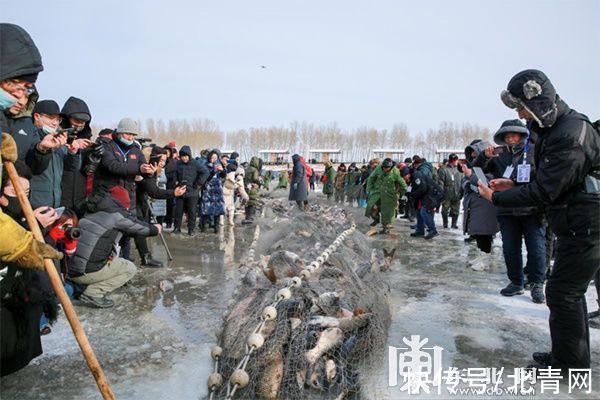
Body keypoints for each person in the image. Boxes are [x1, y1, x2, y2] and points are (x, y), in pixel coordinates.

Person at [478, 69, 600, 371]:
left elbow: (548, 188)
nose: (521, 115)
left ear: (539, 101)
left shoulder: (570, 132)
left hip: (587, 224)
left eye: (522, 107)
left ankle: (569, 364)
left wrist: (497, 198)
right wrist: (513, 185)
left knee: (562, 292)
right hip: (576, 222)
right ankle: (569, 356)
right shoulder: (557, 129)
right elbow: (552, 176)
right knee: (566, 291)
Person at [476, 119, 547, 303]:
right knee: (510, 249)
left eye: (513, 135)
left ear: (522, 134)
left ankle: (537, 284)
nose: (510, 139)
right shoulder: (499, 155)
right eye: (507, 136)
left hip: (532, 209)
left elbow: (543, 177)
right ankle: (516, 281)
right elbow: (478, 169)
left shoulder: (534, 151)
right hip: (506, 209)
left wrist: (515, 181)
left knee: (537, 248)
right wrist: (484, 157)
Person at [70, 187, 160, 308]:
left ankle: (81, 286)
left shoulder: (90, 208)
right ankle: (93, 293)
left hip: (71, 269)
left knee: (109, 256)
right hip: (86, 272)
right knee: (129, 268)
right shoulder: (115, 215)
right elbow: (138, 227)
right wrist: (155, 229)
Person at [29, 100, 91, 209]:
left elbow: (70, 168)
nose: (55, 123)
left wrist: (73, 153)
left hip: (55, 201)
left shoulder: (60, 139)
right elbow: (32, 167)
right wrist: (42, 148)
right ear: (37, 116)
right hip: (33, 202)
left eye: (58, 119)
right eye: (50, 118)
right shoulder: (30, 137)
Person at [135, 146, 185, 266]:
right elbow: (154, 191)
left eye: (164, 161)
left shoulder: (154, 170)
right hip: (134, 202)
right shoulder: (146, 169)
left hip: (142, 201)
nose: (163, 164)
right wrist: (173, 193)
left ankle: (145, 256)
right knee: (138, 230)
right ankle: (143, 257)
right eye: (161, 160)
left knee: (140, 229)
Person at [458, 159, 499, 271]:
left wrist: (471, 176)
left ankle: (484, 261)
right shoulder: (474, 174)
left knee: (484, 235)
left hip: (484, 210)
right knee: (479, 235)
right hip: (476, 208)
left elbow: (484, 185)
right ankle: (481, 257)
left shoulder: (486, 173)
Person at [59, 96, 93, 216]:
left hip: (80, 197)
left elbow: (87, 169)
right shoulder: (56, 139)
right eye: (77, 121)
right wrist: (69, 145)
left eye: (83, 122)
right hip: (61, 195)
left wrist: (94, 157)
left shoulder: (86, 142)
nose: (80, 125)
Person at [173, 145, 209, 235]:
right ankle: (177, 228)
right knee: (178, 211)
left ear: (189, 155)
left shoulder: (195, 163)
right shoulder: (178, 163)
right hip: (181, 191)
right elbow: (174, 173)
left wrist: (198, 183)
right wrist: (176, 182)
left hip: (192, 192)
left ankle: (191, 229)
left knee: (192, 212)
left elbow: (205, 172)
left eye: (186, 156)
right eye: (182, 157)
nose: (184, 158)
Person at [401, 165, 444, 240]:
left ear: (408, 174)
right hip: (426, 195)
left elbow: (423, 188)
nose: (404, 179)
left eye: (404, 177)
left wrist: (412, 195)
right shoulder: (412, 178)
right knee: (418, 210)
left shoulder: (417, 176)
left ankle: (433, 230)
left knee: (424, 211)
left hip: (434, 195)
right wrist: (408, 195)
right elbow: (412, 189)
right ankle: (420, 230)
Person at [367, 158, 406, 234]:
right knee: (371, 206)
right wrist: (370, 190)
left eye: (387, 168)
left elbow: (403, 185)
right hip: (378, 192)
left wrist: (399, 195)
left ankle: (386, 228)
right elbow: (371, 178)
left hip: (389, 194)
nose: (385, 169)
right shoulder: (378, 169)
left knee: (387, 212)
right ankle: (376, 218)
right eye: (384, 167)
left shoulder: (395, 172)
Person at [199, 150, 226, 233]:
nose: (214, 159)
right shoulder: (205, 165)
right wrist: (214, 170)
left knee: (217, 209)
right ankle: (203, 226)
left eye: (216, 158)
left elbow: (223, 176)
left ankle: (216, 227)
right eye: (213, 157)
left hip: (217, 189)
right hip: (208, 189)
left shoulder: (219, 165)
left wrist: (223, 170)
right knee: (206, 208)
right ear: (209, 158)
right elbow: (207, 177)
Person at [437, 153, 462, 229]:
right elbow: (440, 182)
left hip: (457, 193)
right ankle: (445, 223)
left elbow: (462, 181)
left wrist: (462, 192)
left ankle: (454, 224)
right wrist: (441, 192)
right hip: (447, 194)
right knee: (445, 210)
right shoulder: (444, 169)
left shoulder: (459, 169)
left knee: (456, 210)